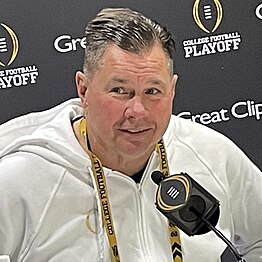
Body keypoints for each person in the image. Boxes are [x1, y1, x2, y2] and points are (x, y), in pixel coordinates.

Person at [0, 7, 261, 262]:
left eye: (152, 91)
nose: (137, 111)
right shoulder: (19, 179)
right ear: (84, 89)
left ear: (172, 90)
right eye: (119, 91)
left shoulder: (211, 153)